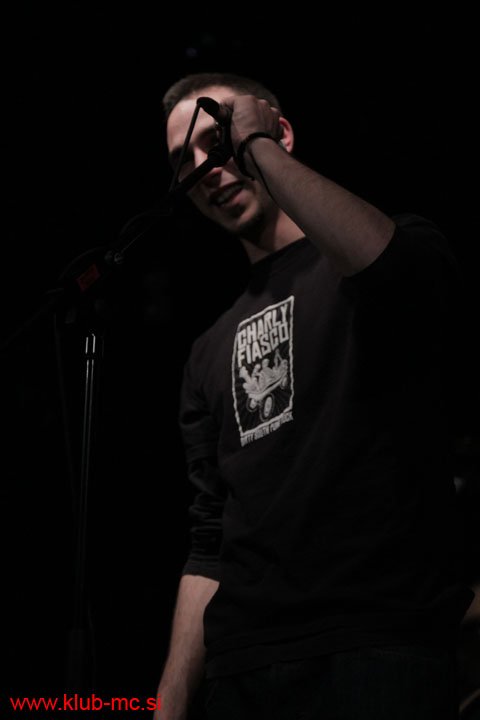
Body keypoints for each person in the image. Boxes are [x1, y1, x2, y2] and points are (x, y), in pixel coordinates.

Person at [153, 72, 474, 720]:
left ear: (279, 132)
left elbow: (397, 272)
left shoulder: (380, 250)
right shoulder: (206, 350)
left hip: (376, 648)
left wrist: (258, 148)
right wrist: (169, 705)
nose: (207, 168)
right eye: (185, 161)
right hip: (241, 670)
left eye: (218, 140)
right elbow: (210, 540)